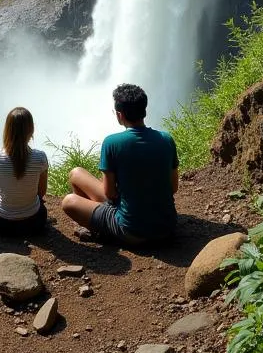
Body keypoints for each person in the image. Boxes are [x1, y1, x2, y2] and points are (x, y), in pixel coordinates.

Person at [61, 83, 178, 245]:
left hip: (131, 230)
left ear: (119, 115)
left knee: (69, 201)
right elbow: (173, 187)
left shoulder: (112, 143)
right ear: (145, 110)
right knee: (76, 173)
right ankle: (103, 220)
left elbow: (109, 193)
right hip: (167, 228)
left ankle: (97, 229)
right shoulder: (166, 139)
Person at [0, 106, 48, 236]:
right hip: (34, 224)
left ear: (7, 130)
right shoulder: (40, 157)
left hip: (1, 224)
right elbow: (41, 193)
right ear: (31, 131)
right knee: (38, 203)